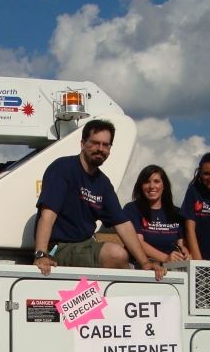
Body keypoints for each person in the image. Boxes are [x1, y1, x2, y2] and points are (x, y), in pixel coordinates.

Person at [32, 119, 164, 280]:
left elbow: (122, 224)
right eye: (95, 143)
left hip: (86, 244)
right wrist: (41, 254)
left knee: (121, 252)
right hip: (58, 248)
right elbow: (48, 214)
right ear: (82, 144)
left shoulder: (103, 183)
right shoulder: (63, 168)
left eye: (106, 145)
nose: (100, 149)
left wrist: (144, 263)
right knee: (115, 254)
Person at [123, 165, 188, 265]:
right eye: (147, 182)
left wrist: (185, 254)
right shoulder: (132, 209)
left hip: (172, 268)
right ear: (141, 186)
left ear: (164, 185)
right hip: (140, 266)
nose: (151, 186)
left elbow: (181, 245)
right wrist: (166, 258)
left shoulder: (177, 213)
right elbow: (137, 242)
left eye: (156, 181)